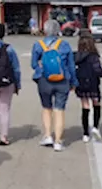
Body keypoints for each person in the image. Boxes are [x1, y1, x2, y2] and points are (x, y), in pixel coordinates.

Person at [31, 21, 78, 151]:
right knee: (59, 109)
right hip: (62, 81)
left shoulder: (38, 45)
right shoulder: (64, 45)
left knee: (46, 108)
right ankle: (58, 141)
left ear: (45, 30)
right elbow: (71, 66)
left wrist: (41, 67)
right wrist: (74, 82)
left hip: (44, 81)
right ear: (58, 31)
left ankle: (47, 135)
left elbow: (33, 64)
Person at [74, 34, 102, 142]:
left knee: (85, 106)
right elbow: (98, 70)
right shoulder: (93, 56)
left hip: (81, 84)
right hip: (93, 84)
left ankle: (85, 133)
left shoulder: (76, 56)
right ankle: (95, 127)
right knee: (96, 104)